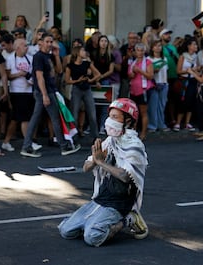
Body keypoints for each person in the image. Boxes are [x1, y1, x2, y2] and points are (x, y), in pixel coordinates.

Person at [58, 98, 149, 247]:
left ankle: (128, 219)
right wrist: (94, 160)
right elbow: (86, 167)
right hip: (101, 198)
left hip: (119, 203)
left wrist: (101, 162)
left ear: (128, 121)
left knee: (93, 237)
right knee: (65, 230)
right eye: (110, 116)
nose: (109, 121)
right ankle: (95, 222)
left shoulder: (135, 146)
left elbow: (125, 176)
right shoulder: (110, 141)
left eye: (115, 117)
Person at [20, 32, 81, 157]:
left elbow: (58, 71)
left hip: (49, 90)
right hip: (45, 91)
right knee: (54, 118)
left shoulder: (48, 56)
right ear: (40, 42)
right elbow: (39, 76)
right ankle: (63, 146)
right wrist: (44, 95)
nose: (49, 44)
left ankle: (27, 146)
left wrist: (57, 56)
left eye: (51, 42)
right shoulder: (38, 57)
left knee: (39, 118)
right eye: (47, 41)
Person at [1, 38, 36, 152]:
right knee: (21, 118)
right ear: (18, 47)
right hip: (16, 91)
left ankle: (7, 141)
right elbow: (7, 76)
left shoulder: (30, 58)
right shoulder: (10, 59)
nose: (27, 48)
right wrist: (19, 74)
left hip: (28, 90)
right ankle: (28, 142)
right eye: (24, 45)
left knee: (19, 118)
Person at [65, 46, 101, 139]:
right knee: (75, 114)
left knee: (92, 114)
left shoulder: (87, 64)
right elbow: (67, 80)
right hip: (77, 89)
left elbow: (98, 74)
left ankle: (95, 137)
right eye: (82, 50)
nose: (84, 52)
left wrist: (91, 80)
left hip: (87, 89)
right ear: (77, 52)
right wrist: (77, 80)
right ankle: (74, 137)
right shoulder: (70, 65)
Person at [128, 42, 154, 140]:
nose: (140, 52)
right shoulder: (133, 62)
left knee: (143, 112)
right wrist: (133, 72)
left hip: (143, 90)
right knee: (134, 112)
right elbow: (130, 76)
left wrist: (140, 71)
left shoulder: (148, 62)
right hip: (133, 90)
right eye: (138, 50)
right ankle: (133, 131)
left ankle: (143, 132)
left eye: (141, 50)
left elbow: (150, 76)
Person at [174, 37, 199, 132]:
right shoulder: (183, 56)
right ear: (189, 46)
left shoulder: (196, 57)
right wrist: (189, 71)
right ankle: (178, 122)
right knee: (182, 101)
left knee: (191, 101)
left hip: (193, 80)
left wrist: (197, 70)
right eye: (194, 44)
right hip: (184, 80)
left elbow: (198, 69)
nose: (196, 46)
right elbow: (178, 70)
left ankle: (187, 122)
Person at [147, 39, 169, 132]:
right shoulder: (149, 59)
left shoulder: (164, 59)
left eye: (159, 46)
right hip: (153, 84)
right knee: (153, 106)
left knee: (162, 105)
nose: (158, 48)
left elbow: (166, 71)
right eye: (155, 46)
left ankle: (161, 124)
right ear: (152, 48)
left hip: (164, 83)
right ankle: (152, 125)